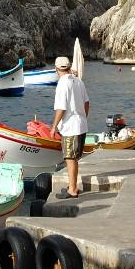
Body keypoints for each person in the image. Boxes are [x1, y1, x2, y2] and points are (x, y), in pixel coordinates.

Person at [52, 56, 90, 198]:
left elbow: (61, 108)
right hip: (81, 124)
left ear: (57, 69)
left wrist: (54, 126)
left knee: (70, 158)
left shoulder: (62, 84)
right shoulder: (78, 81)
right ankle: (72, 185)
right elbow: (87, 102)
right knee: (74, 158)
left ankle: (72, 189)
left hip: (70, 127)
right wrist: (83, 117)